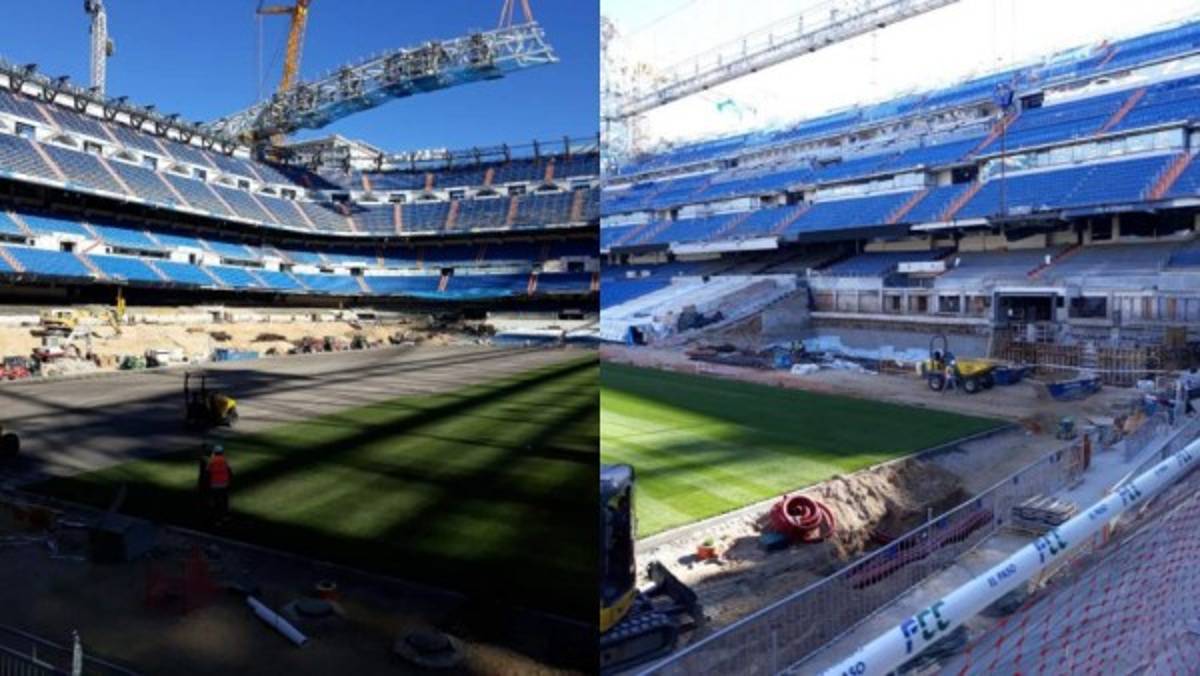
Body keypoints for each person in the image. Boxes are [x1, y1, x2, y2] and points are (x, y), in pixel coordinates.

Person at [201, 444, 233, 522]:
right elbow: (230, 472)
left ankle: (216, 517)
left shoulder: (212, 461)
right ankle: (225, 516)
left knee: (215, 501)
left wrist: (206, 484)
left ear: (215, 452)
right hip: (224, 484)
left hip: (214, 484)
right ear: (222, 452)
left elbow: (207, 473)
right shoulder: (225, 460)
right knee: (224, 501)